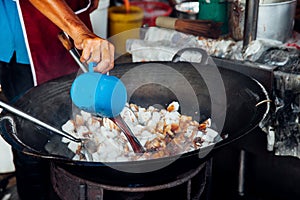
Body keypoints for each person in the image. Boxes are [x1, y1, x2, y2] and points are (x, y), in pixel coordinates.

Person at [0, 0, 115, 199]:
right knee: (31, 143)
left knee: (76, 122)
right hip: (23, 41)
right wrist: (80, 31)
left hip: (69, 26)